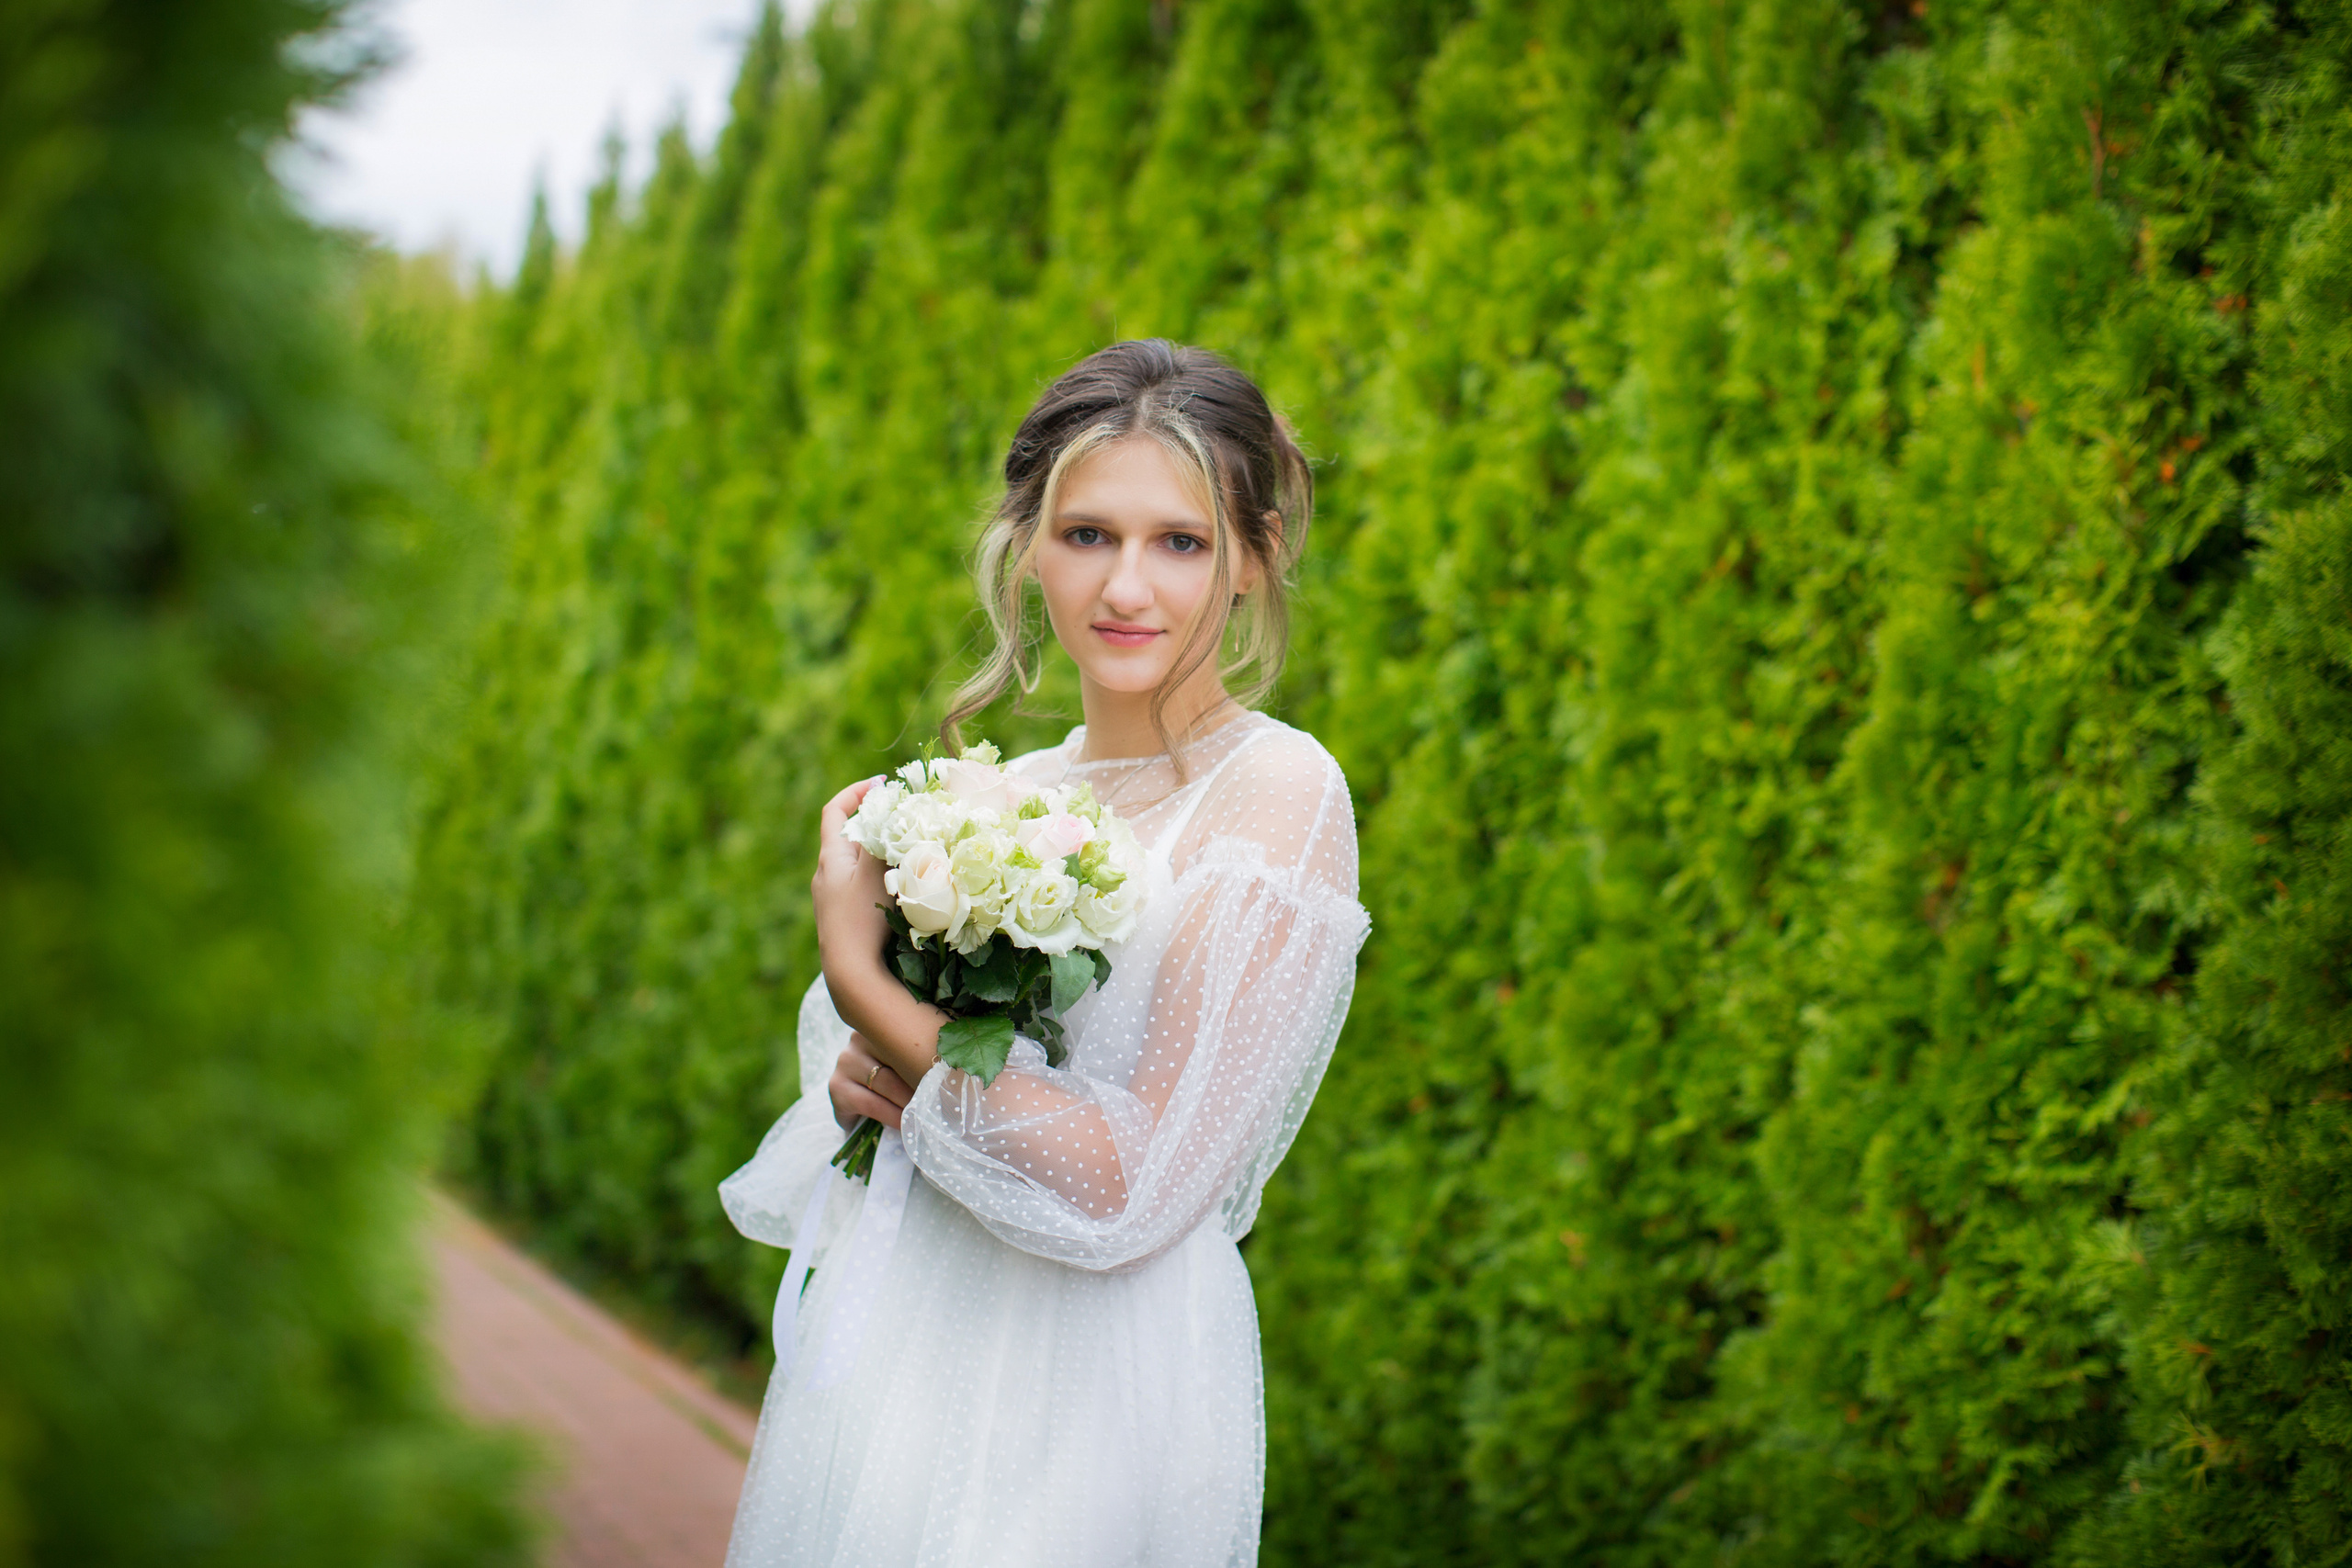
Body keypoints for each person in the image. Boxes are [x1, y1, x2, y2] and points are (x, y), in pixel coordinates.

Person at [718, 340, 1369, 1568]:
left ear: (1257, 558)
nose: (1128, 587)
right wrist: (861, 1069)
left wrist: (869, 983)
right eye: (1087, 534)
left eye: (1180, 540)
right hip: (921, 1338)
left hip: (1097, 1380)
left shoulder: (1277, 792)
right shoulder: (1001, 798)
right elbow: (876, 1097)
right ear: (1027, 544)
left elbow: (1134, 1184)